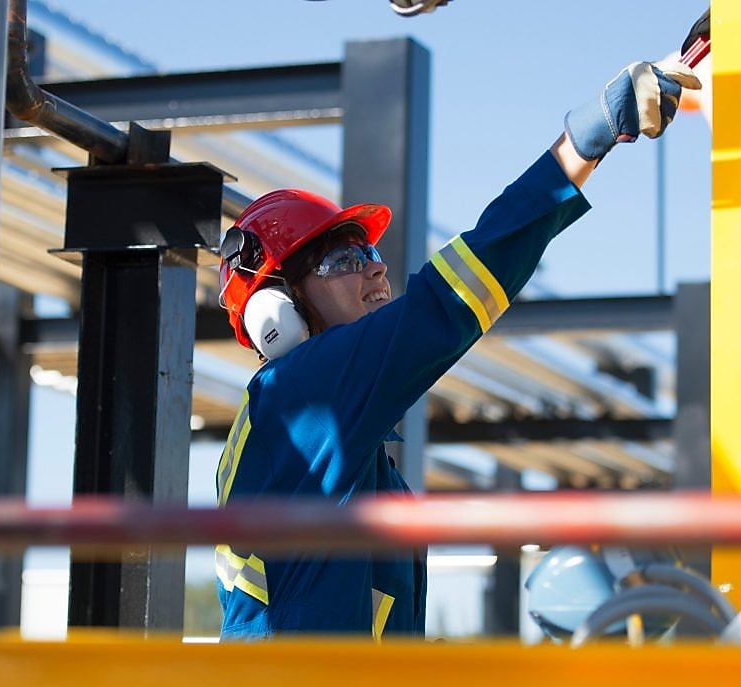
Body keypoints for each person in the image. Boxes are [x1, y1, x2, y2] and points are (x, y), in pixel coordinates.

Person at [213, 57, 700, 640]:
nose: (376, 271)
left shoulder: (362, 464)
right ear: (279, 313)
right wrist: (582, 141)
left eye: (370, 255)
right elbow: (445, 302)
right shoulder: (296, 394)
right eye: (344, 261)